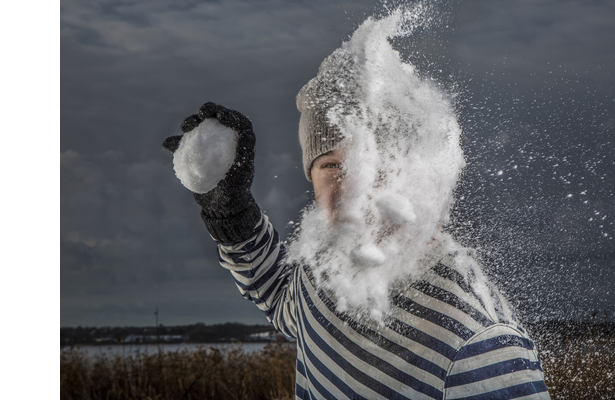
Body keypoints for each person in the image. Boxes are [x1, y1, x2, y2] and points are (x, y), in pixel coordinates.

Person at [163, 54, 551, 400]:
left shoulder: (480, 347)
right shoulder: (330, 265)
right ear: (311, 177)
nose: (352, 188)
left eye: (374, 163)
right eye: (330, 165)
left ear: (416, 172)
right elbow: (283, 297)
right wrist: (232, 213)